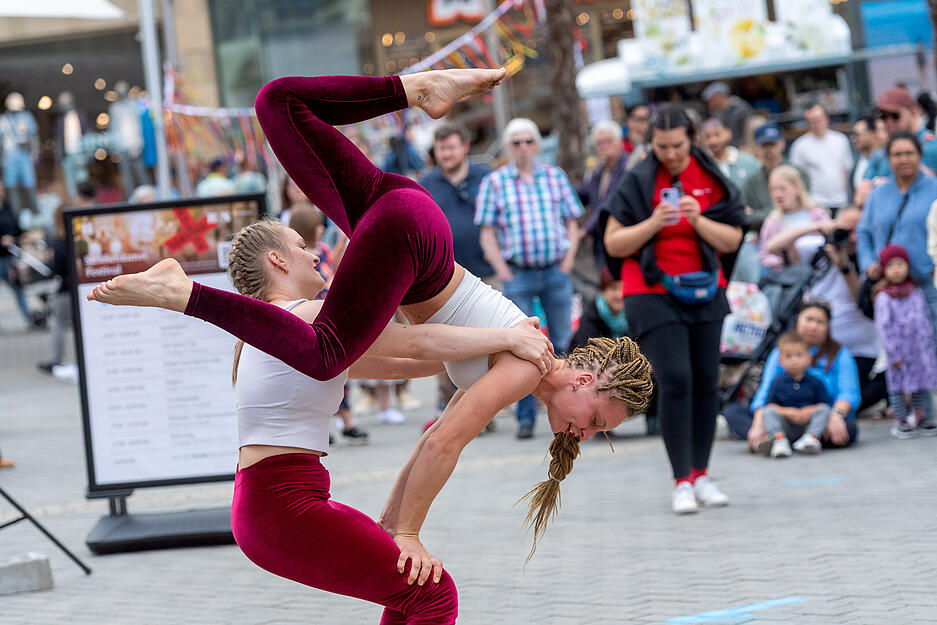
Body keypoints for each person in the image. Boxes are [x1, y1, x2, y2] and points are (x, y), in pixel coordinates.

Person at [87, 69, 653, 581]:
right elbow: (446, 445)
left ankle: (414, 90)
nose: (586, 434)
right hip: (410, 239)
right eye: (598, 421)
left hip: (399, 219)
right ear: (585, 382)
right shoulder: (526, 367)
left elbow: (428, 429)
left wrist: (388, 521)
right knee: (323, 351)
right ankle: (184, 293)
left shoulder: (525, 357)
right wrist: (409, 533)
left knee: (276, 104)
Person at [227, 219, 554, 622]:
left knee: (410, 589)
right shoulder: (307, 315)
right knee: (432, 593)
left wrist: (494, 356)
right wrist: (505, 338)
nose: (315, 254)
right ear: (276, 261)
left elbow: (398, 366)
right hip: (281, 508)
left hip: (270, 506)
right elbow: (417, 342)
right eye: (301, 246)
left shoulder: (285, 330)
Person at [601, 105, 746, 514]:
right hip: (650, 290)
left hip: (704, 289)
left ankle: (701, 474)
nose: (670, 154)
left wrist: (697, 221)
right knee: (676, 379)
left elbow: (733, 238)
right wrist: (652, 223)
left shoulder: (711, 176)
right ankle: (681, 480)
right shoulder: (638, 179)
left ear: (692, 139)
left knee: (704, 380)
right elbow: (613, 244)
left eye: (678, 145)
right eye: (661, 146)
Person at [475, 117, 584, 439]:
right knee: (520, 349)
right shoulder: (495, 183)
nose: (522, 148)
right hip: (518, 273)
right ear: (508, 147)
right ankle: (525, 418)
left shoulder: (554, 176)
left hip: (555, 271)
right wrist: (503, 270)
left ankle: (568, 409)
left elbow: (573, 222)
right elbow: (487, 233)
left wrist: (568, 261)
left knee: (563, 343)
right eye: (516, 142)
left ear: (536, 144)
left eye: (528, 141)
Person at [419, 123, 494, 427]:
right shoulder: (427, 183)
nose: (446, 154)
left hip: (486, 270)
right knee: (448, 346)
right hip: (443, 278)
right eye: (440, 149)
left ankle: (487, 409)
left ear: (465, 146)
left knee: (488, 341)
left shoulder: (486, 177)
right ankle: (453, 414)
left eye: (451, 147)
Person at [288, 205, 368, 443]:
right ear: (313, 230)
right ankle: (325, 426)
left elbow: (333, 264)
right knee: (318, 375)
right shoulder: (296, 259)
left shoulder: (322, 249)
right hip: (314, 320)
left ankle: (347, 420)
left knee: (340, 370)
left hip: (331, 317)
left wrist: (343, 244)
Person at [742, 299, 860, 451]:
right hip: (783, 417)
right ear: (798, 319)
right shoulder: (780, 351)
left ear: (828, 326)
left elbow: (849, 392)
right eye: (809, 319)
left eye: (820, 322)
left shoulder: (840, 353)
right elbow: (766, 390)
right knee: (736, 413)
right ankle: (775, 438)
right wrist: (759, 422)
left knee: (849, 428)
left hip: (821, 418)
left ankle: (780, 441)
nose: (813, 326)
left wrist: (835, 415)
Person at [858, 131, 937, 337]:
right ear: (888, 158)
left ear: (919, 155)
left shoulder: (933, 189)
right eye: (897, 154)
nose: (903, 159)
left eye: (909, 153)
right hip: (890, 287)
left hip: (927, 285)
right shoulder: (878, 194)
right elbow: (864, 233)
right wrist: (868, 264)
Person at [872, 244, 937, 438]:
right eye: (891, 265)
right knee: (898, 386)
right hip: (898, 351)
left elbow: (924, 318)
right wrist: (894, 352)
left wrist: (928, 346)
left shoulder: (915, 291)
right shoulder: (884, 296)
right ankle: (900, 419)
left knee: (919, 382)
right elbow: (883, 326)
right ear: (884, 269)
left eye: (900, 263)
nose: (897, 269)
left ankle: (921, 416)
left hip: (918, 350)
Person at [756, 331, 832, 458]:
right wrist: (787, 412)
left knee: (824, 410)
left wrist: (809, 410)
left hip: (807, 424)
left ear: (808, 358)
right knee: (768, 412)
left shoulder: (816, 382)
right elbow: (771, 405)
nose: (794, 360)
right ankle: (779, 440)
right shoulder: (777, 382)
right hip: (786, 425)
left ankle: (811, 439)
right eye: (789, 356)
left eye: (799, 355)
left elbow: (823, 403)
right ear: (780, 360)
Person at [758, 165, 834, 273]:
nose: (777, 194)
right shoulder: (772, 221)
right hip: (790, 278)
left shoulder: (819, 214)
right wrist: (782, 262)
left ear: (798, 188)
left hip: (820, 273)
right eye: (773, 189)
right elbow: (764, 255)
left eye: (782, 188)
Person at [741, 122, 811, 233]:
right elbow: (746, 218)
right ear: (757, 147)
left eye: (772, 144)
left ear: (782, 143)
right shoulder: (750, 183)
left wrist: (760, 215)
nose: (769, 150)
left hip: (799, 231)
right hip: (764, 237)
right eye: (764, 145)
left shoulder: (799, 174)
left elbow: (802, 205)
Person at [579, 120, 630, 271]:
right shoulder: (600, 170)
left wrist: (584, 230)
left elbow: (609, 203)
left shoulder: (628, 167)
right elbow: (583, 192)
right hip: (601, 242)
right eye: (599, 143)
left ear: (619, 142)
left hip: (620, 240)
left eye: (608, 141)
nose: (603, 146)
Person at [862, 87, 937, 183]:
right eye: (883, 116)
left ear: (913, 111)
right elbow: (863, 189)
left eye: (895, 115)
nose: (889, 122)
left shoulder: (930, 147)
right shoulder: (880, 154)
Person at [789, 104, 853, 213]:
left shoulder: (841, 140)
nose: (816, 124)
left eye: (819, 119)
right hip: (816, 203)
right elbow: (796, 177)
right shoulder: (799, 146)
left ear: (826, 119)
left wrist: (845, 195)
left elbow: (845, 169)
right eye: (811, 121)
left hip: (841, 202)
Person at [0, 181, 33, 328]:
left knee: (18, 288)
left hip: (11, 255)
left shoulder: (7, 207)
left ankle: (29, 318)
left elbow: (16, 228)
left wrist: (22, 235)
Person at [569, 268, 627, 350]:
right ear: (603, 290)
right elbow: (586, 357)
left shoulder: (636, 315)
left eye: (623, 288)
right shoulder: (590, 319)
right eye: (613, 288)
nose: (619, 295)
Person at [700, 117, 760, 189]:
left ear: (728, 133)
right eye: (707, 136)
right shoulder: (702, 166)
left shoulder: (749, 162)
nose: (713, 141)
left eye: (717, 134)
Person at [701, 81, 752, 149]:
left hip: (743, 148)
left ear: (719, 96)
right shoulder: (717, 113)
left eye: (711, 99)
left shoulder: (740, 108)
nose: (709, 103)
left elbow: (748, 133)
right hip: (726, 149)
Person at [850, 115, 882, 204]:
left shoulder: (885, 161)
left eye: (857, 135)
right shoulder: (858, 162)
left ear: (872, 134)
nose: (853, 139)